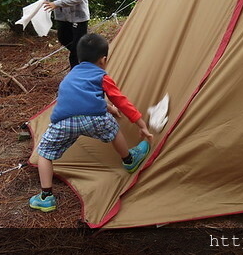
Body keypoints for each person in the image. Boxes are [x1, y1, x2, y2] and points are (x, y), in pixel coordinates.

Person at [29, 33, 154, 212]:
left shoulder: (70, 76)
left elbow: (78, 97)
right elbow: (122, 101)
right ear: (103, 60)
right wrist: (141, 124)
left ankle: (46, 197)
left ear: (79, 58)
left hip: (64, 122)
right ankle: (129, 159)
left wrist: (107, 107)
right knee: (113, 130)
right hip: (94, 119)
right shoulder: (102, 76)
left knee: (45, 153)